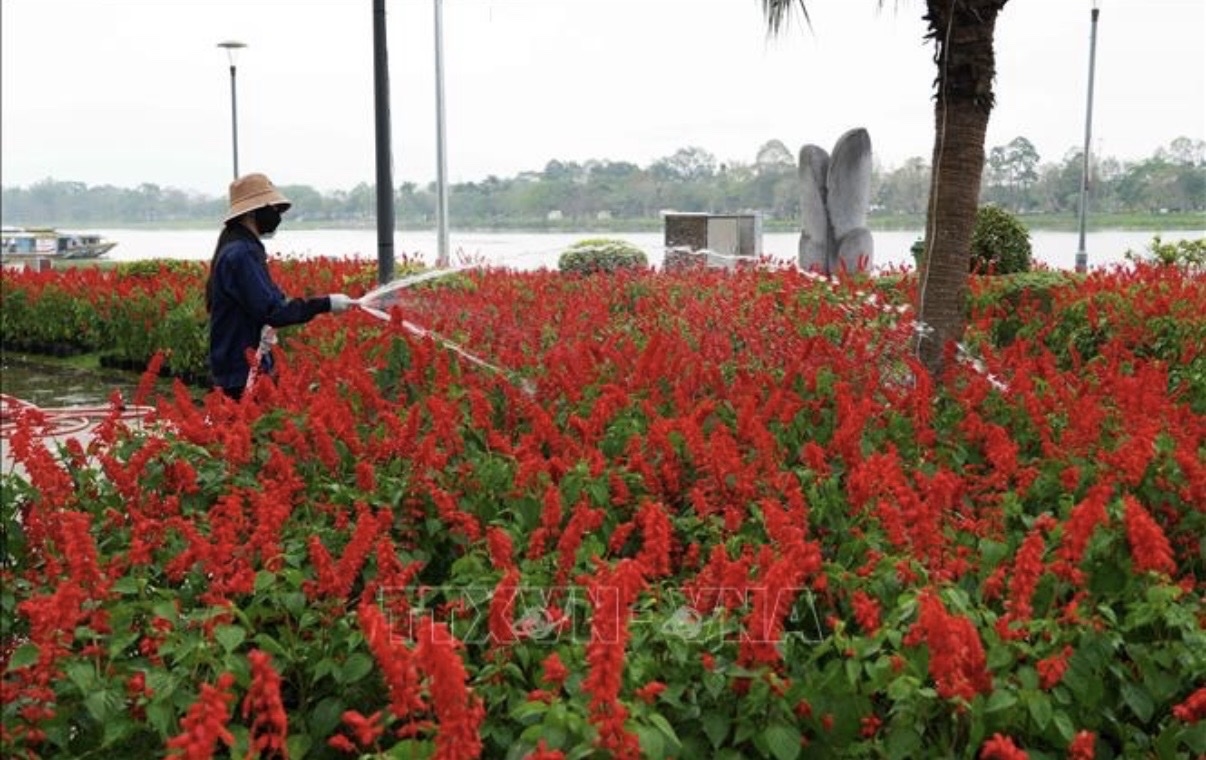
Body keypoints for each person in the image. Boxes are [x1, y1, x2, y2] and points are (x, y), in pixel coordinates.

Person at [205, 172, 353, 399]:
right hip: (242, 370)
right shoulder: (241, 254)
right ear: (253, 213)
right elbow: (273, 311)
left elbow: (264, 306)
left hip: (238, 366)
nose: (277, 216)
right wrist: (326, 303)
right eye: (273, 209)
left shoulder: (238, 247)